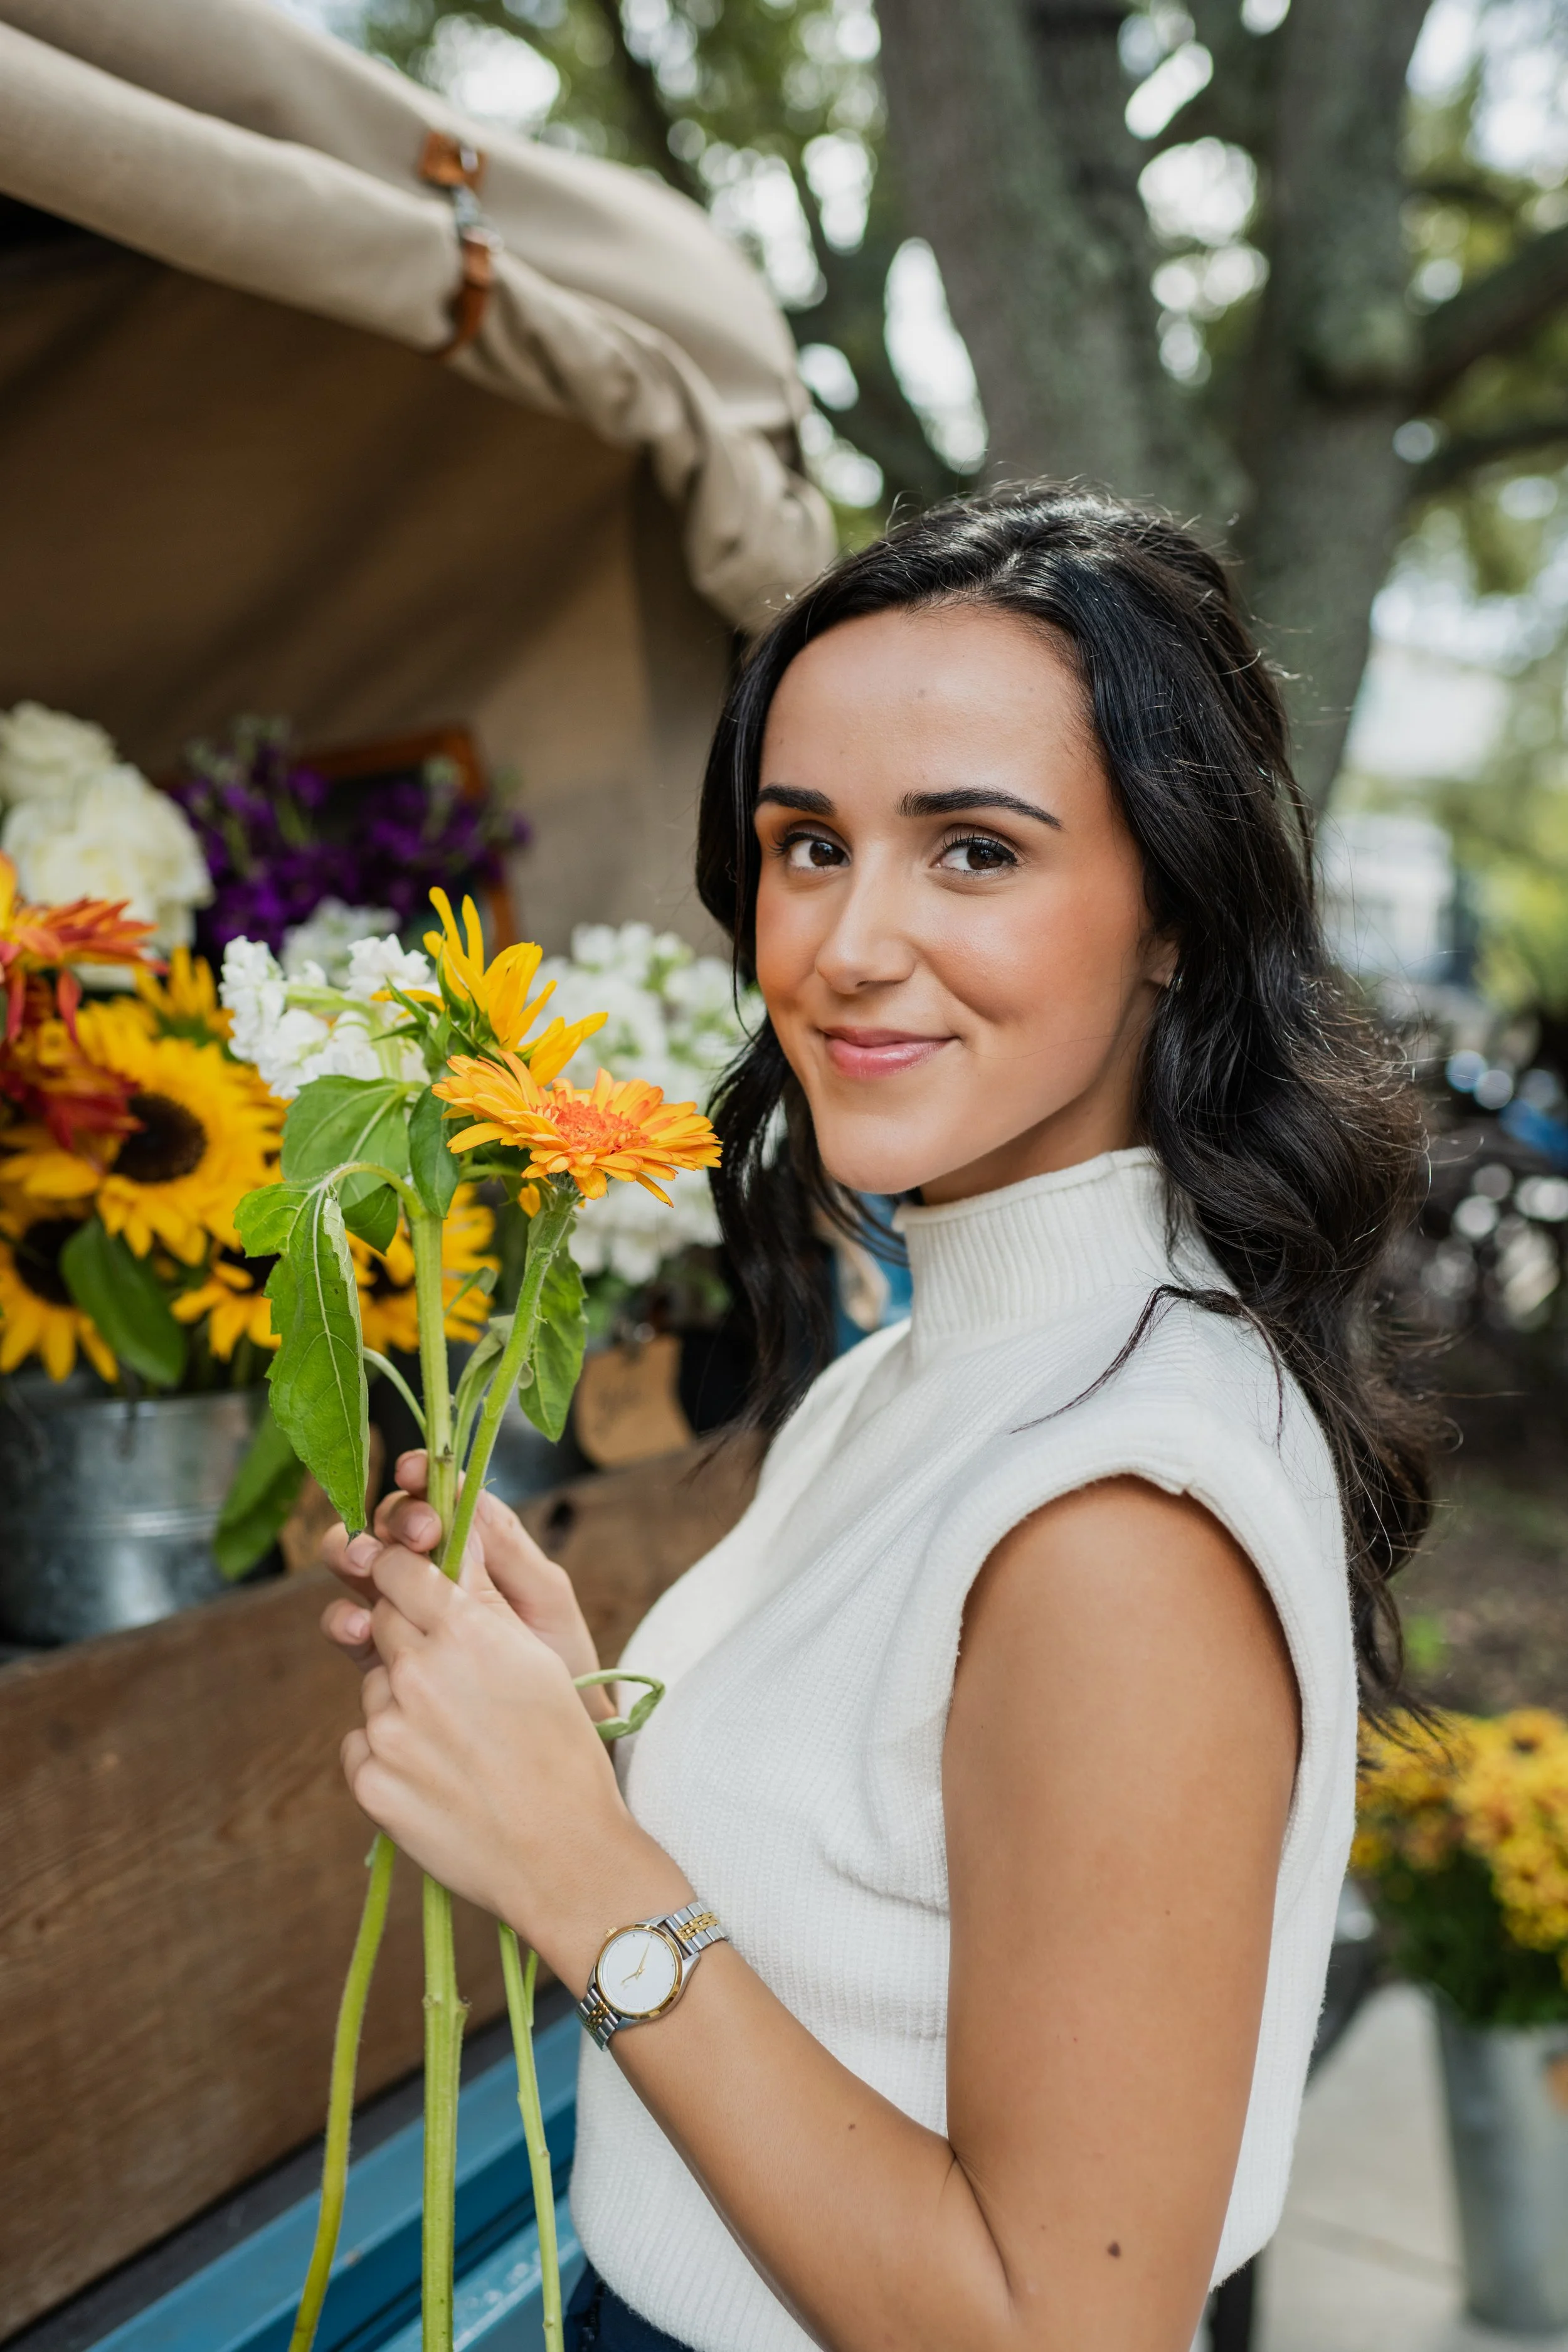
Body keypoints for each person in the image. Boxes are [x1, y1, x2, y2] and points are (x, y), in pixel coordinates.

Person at [320, 487, 1433, 2352]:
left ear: (1173, 909)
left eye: (973, 852)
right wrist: (562, 1741)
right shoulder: (936, 1365)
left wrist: (575, 1867)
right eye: (807, 842)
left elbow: (1051, 2328)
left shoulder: (1114, 1517)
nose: (846, 941)